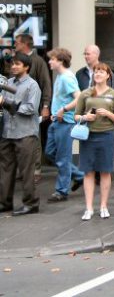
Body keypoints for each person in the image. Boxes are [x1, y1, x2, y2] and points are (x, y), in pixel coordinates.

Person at [74, 63, 114, 220]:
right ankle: (88, 208)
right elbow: (76, 116)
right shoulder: (85, 94)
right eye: (96, 71)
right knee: (88, 171)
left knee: (105, 171)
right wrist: (85, 117)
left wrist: (108, 114)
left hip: (107, 135)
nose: (98, 74)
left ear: (108, 75)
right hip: (88, 136)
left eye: (101, 71)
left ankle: (104, 206)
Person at [0, 52, 42, 215]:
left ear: (26, 67)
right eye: (12, 63)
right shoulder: (8, 82)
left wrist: (8, 103)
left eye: (17, 64)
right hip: (7, 132)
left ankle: (31, 203)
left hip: (25, 134)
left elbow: (31, 108)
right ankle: (5, 202)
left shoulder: (32, 85)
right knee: (5, 170)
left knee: (26, 171)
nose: (14, 66)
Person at [44, 48, 85, 203]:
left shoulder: (67, 77)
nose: (50, 61)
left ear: (60, 61)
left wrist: (64, 109)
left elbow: (79, 98)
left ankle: (61, 191)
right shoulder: (61, 76)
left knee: (62, 158)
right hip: (57, 122)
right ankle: (79, 175)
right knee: (49, 153)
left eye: (52, 59)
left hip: (65, 123)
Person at [14, 34, 51, 183]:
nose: (14, 44)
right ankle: (22, 169)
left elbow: (46, 84)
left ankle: (35, 170)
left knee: (33, 138)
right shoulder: (17, 61)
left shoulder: (38, 61)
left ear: (24, 44)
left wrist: (46, 106)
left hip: (33, 106)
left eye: (17, 42)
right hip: (16, 107)